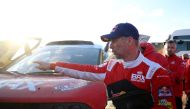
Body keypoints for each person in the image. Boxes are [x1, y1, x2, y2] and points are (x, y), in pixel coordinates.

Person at [35, 22, 176, 109]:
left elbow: (167, 106)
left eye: (114, 41)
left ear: (129, 40)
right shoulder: (111, 66)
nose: (111, 46)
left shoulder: (155, 71)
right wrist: (52, 66)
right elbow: (84, 70)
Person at [163, 40, 186, 109]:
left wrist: (166, 72)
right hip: (162, 94)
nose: (170, 49)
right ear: (165, 48)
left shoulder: (180, 61)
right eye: (168, 47)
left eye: (172, 48)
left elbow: (179, 77)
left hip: (175, 94)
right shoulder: (160, 59)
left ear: (176, 49)